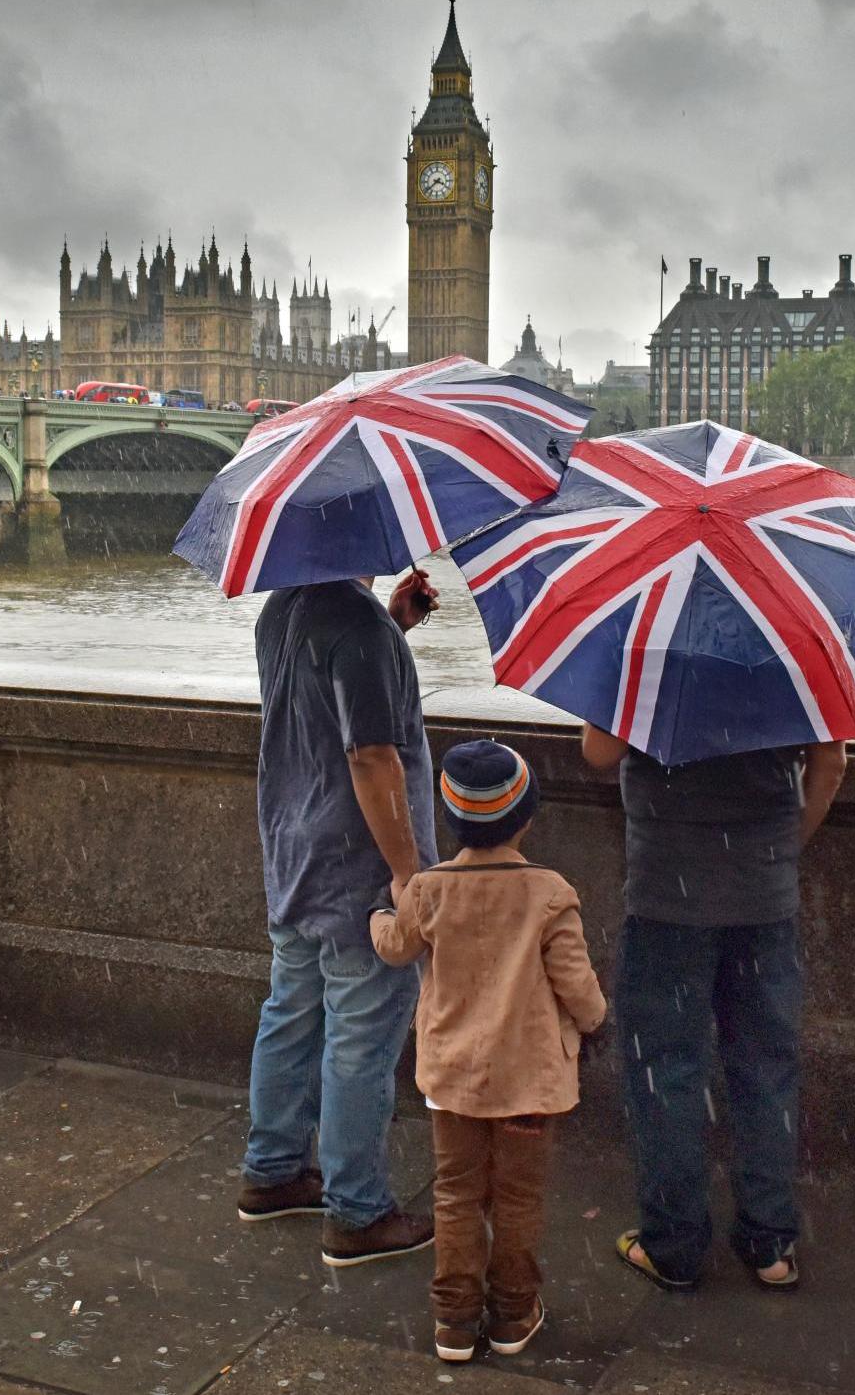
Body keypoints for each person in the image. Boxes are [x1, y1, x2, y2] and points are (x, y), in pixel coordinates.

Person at [580, 724, 847, 1292]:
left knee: (665, 1072)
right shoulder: (797, 645)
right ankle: (770, 1244)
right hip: (764, 895)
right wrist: (780, 848)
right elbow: (833, 763)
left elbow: (598, 752)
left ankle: (673, 1245)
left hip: (666, 893)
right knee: (766, 1070)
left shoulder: (648, 642)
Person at [371, 739, 606, 1363]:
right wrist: (596, 1020)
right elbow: (576, 986)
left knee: (455, 1193)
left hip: (454, 1079)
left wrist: (378, 913)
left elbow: (395, 946)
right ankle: (511, 1313)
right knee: (519, 1198)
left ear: (451, 821)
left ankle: (452, 1320)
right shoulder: (549, 892)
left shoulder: (428, 889)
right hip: (528, 1081)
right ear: (526, 816)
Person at [238, 565, 442, 1267]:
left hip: (294, 847)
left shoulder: (283, 607)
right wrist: (408, 873)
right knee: (361, 1032)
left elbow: (323, 711)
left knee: (291, 1008)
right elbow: (370, 754)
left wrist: (395, 624)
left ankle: (272, 1169)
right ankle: (355, 1211)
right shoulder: (355, 627)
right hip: (359, 864)